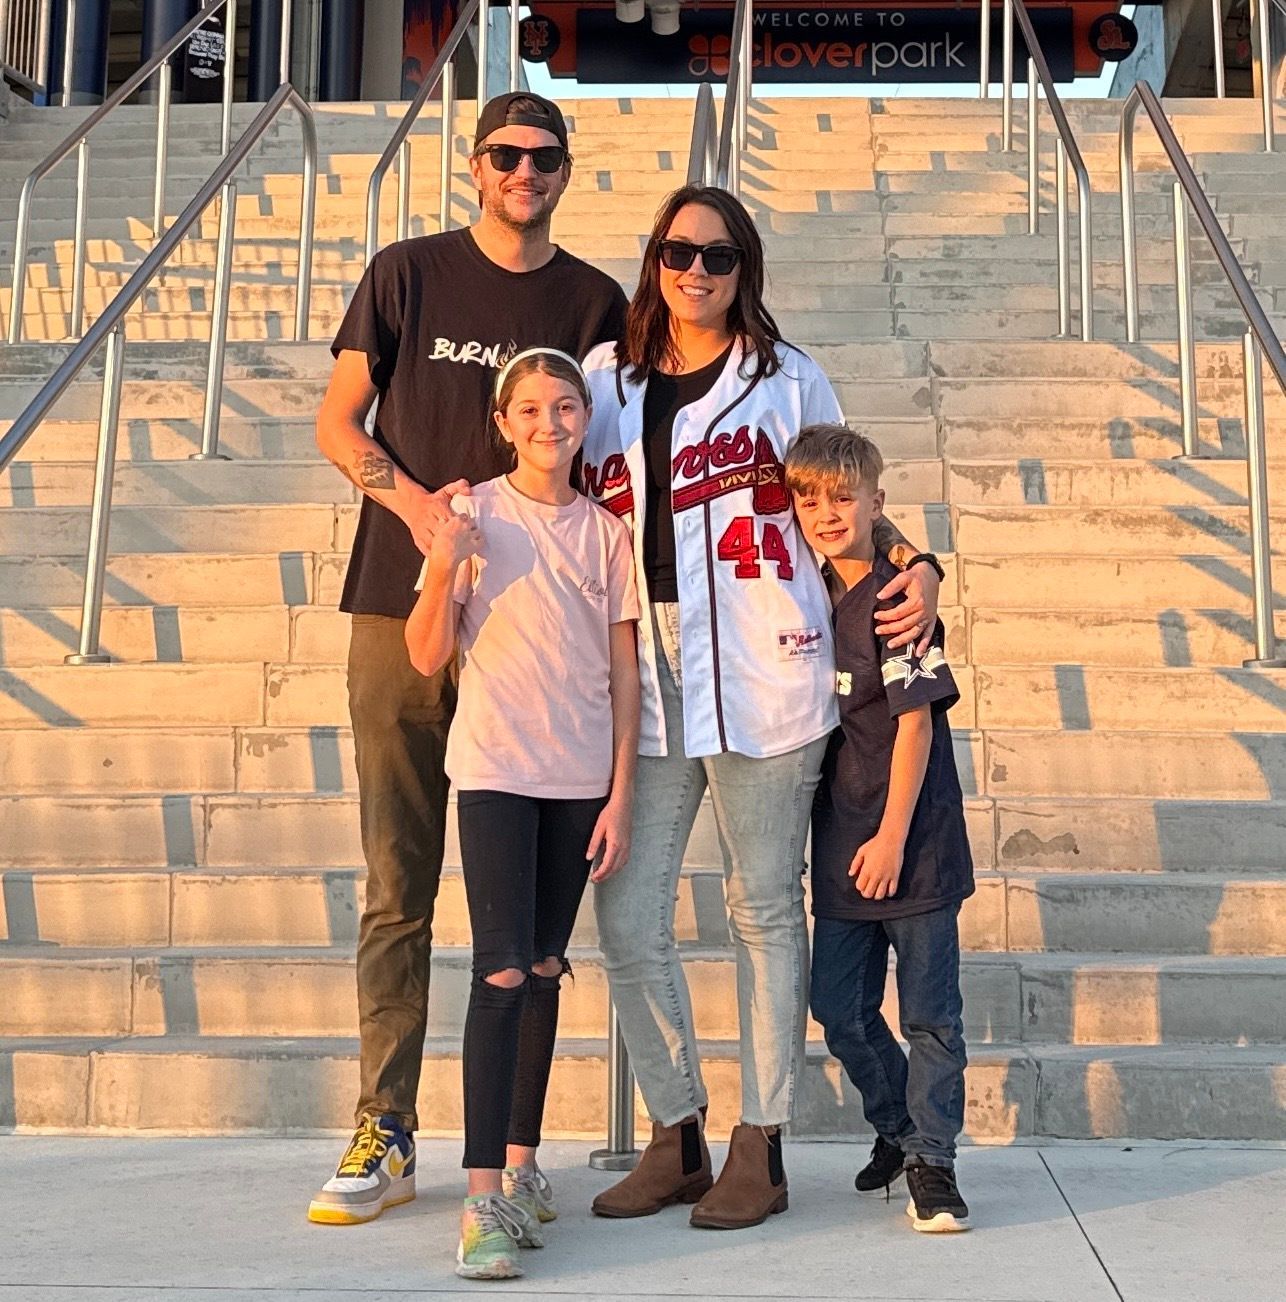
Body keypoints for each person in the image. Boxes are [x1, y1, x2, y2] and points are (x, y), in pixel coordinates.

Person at [578, 184, 945, 1231]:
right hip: (644, 676)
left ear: (747, 271)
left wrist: (919, 562)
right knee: (626, 914)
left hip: (764, 668)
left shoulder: (786, 381)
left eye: (720, 255)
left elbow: (849, 501)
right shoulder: (603, 380)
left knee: (762, 910)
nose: (695, 271)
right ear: (652, 261)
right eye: (677, 252)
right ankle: (674, 1131)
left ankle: (762, 1141)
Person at [309, 91, 628, 1227]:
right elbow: (339, 421)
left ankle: (510, 1150)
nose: (523, 172)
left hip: (531, 639)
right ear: (473, 163)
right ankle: (385, 1126)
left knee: (524, 938)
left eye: (544, 157)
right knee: (398, 886)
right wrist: (420, 518)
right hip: (400, 606)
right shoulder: (405, 272)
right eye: (504, 154)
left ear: (563, 169)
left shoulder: (594, 299)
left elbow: (612, 455)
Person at [405, 348, 641, 1277]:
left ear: (587, 418)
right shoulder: (475, 516)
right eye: (530, 409)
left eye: (566, 406)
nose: (550, 422)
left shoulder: (608, 534)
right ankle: (479, 1203)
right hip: (499, 771)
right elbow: (428, 656)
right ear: (503, 422)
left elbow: (623, 674)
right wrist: (441, 564)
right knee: (500, 974)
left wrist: (620, 791)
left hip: (580, 776)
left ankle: (522, 1163)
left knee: (545, 967)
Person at [785, 424, 974, 1234]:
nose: (827, 512)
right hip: (839, 840)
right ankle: (897, 1129)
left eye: (843, 497)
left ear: (877, 502)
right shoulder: (805, 591)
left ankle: (933, 1160)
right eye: (809, 498)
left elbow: (917, 728)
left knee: (930, 1014)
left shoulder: (899, 597)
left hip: (913, 840)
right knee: (839, 1008)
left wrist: (894, 835)